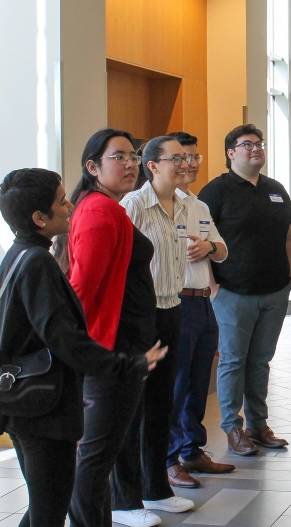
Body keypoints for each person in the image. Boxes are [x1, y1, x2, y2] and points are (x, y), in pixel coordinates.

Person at [0, 168, 166, 527]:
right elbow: (64, 339)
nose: (71, 205)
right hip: (42, 409)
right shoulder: (38, 263)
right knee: (48, 515)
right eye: (61, 202)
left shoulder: (18, 254)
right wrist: (125, 363)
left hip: (24, 405)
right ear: (39, 218)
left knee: (41, 509)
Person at [66, 128, 161, 527]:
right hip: (110, 350)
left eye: (134, 155)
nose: (130, 164)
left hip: (120, 346)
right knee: (98, 450)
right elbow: (82, 289)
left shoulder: (105, 207)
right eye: (118, 156)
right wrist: (92, 354)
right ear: (93, 167)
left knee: (108, 446)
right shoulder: (100, 212)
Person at [198, 124, 291, 454]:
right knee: (233, 361)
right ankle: (232, 427)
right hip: (233, 293)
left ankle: (258, 424)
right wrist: (213, 287)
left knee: (260, 361)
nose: (256, 149)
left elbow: (289, 235)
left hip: (274, 291)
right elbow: (201, 242)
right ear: (230, 153)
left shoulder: (276, 189)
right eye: (247, 144)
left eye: (259, 144)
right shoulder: (216, 192)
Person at [117, 136, 201, 506]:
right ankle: (128, 498)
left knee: (162, 404)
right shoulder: (133, 205)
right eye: (176, 159)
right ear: (152, 166)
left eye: (187, 157)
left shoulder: (183, 206)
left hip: (172, 308)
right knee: (135, 408)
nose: (185, 164)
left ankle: (156, 489)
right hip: (140, 315)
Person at [164, 131, 234, 478]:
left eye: (195, 157)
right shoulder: (153, 204)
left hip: (204, 302)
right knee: (176, 385)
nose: (190, 164)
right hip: (174, 302)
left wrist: (208, 248)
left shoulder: (199, 205)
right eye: (182, 158)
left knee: (197, 383)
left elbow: (221, 249)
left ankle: (192, 451)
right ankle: (169, 458)